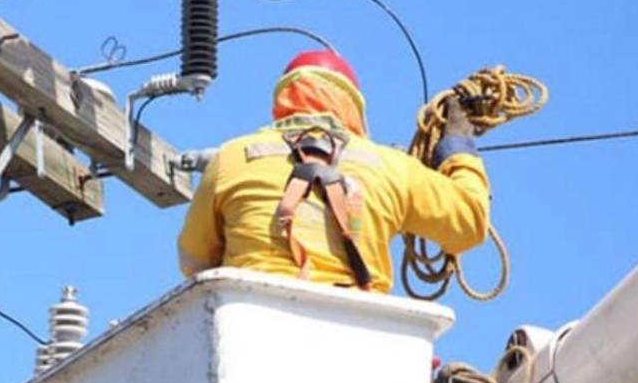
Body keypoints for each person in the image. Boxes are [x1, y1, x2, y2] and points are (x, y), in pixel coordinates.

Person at [178, 49, 490, 293]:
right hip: (359, 334)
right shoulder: (392, 168)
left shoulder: (232, 157)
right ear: (354, 106)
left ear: (283, 99)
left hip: (250, 322)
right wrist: (457, 146)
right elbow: (470, 221)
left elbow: (194, 260)